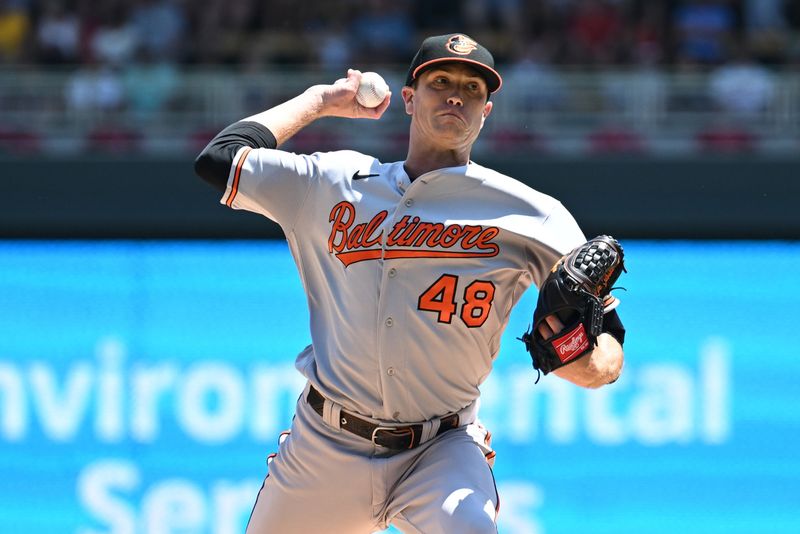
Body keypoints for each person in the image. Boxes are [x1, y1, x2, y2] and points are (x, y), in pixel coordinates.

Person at [194, 33, 625, 534]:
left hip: (441, 451)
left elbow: (610, 340)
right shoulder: (332, 181)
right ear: (407, 98)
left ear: (486, 110)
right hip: (326, 445)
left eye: (472, 88)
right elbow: (219, 159)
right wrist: (320, 101)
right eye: (439, 81)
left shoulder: (534, 215)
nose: (456, 95)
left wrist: (588, 363)